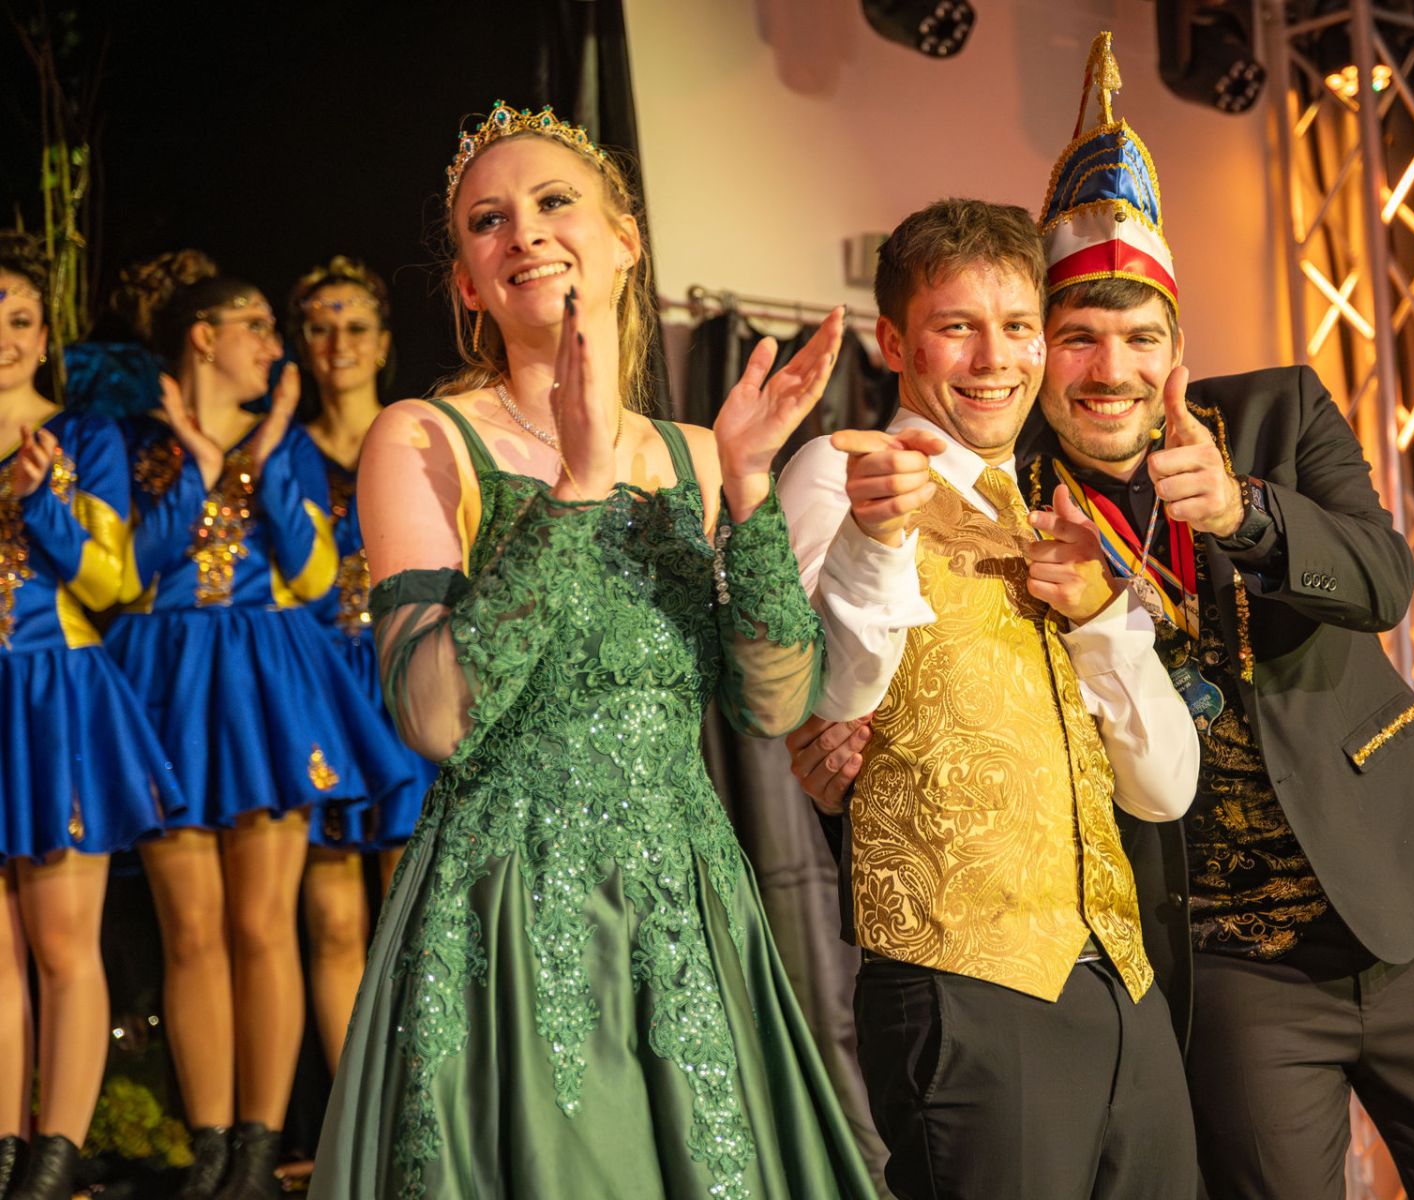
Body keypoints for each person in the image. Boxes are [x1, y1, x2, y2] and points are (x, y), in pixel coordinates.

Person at [793, 33, 1414, 1200]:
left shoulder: (1273, 419)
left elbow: (1383, 581)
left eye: (1141, 340)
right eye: (1075, 337)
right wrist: (833, 754)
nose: (1110, 370)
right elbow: (918, 697)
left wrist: (1249, 513)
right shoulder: (998, 492)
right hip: (1221, 951)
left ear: (1177, 351)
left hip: (1410, 896)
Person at [309, 102, 874, 1199]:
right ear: (468, 285)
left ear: (624, 241)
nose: (524, 231)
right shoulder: (423, 438)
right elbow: (433, 715)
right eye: (489, 221)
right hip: (513, 909)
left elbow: (771, 704)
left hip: (688, 901)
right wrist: (572, 491)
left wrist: (750, 489)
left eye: (554, 202)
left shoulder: (700, 454)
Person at [774, 127, 1201, 1198]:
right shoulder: (841, 470)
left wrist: (1102, 617)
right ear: (895, 342)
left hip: (1123, 988)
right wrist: (880, 538)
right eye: (957, 328)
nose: (994, 359)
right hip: (963, 984)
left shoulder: (1057, 516)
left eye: (1017, 327)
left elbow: (1163, 788)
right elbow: (830, 693)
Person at [107, 250, 417, 1199]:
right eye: (262, 329)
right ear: (206, 337)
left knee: (262, 924)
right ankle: (210, 1141)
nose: (279, 348)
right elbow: (126, 575)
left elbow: (317, 577)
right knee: (191, 931)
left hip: (262, 685)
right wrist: (199, 468)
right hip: (165, 680)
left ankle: (259, 1141)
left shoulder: (286, 441)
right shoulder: (133, 438)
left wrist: (266, 451)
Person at [0, 233, 180, 1200]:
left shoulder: (84, 440)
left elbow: (112, 583)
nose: (3, 336)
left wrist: (43, 504)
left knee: (65, 944)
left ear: (45, 336)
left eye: (20, 318)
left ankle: (56, 1150)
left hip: (54, 694)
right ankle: (3, 1148)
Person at [285, 257, 435, 1075]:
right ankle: (353, 1111)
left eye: (355, 328)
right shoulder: (280, 451)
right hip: (321, 690)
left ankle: (423, 1102)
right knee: (335, 922)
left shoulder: (421, 436)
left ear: (383, 343)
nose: (337, 344)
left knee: (417, 916)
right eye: (319, 328)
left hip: (405, 674)